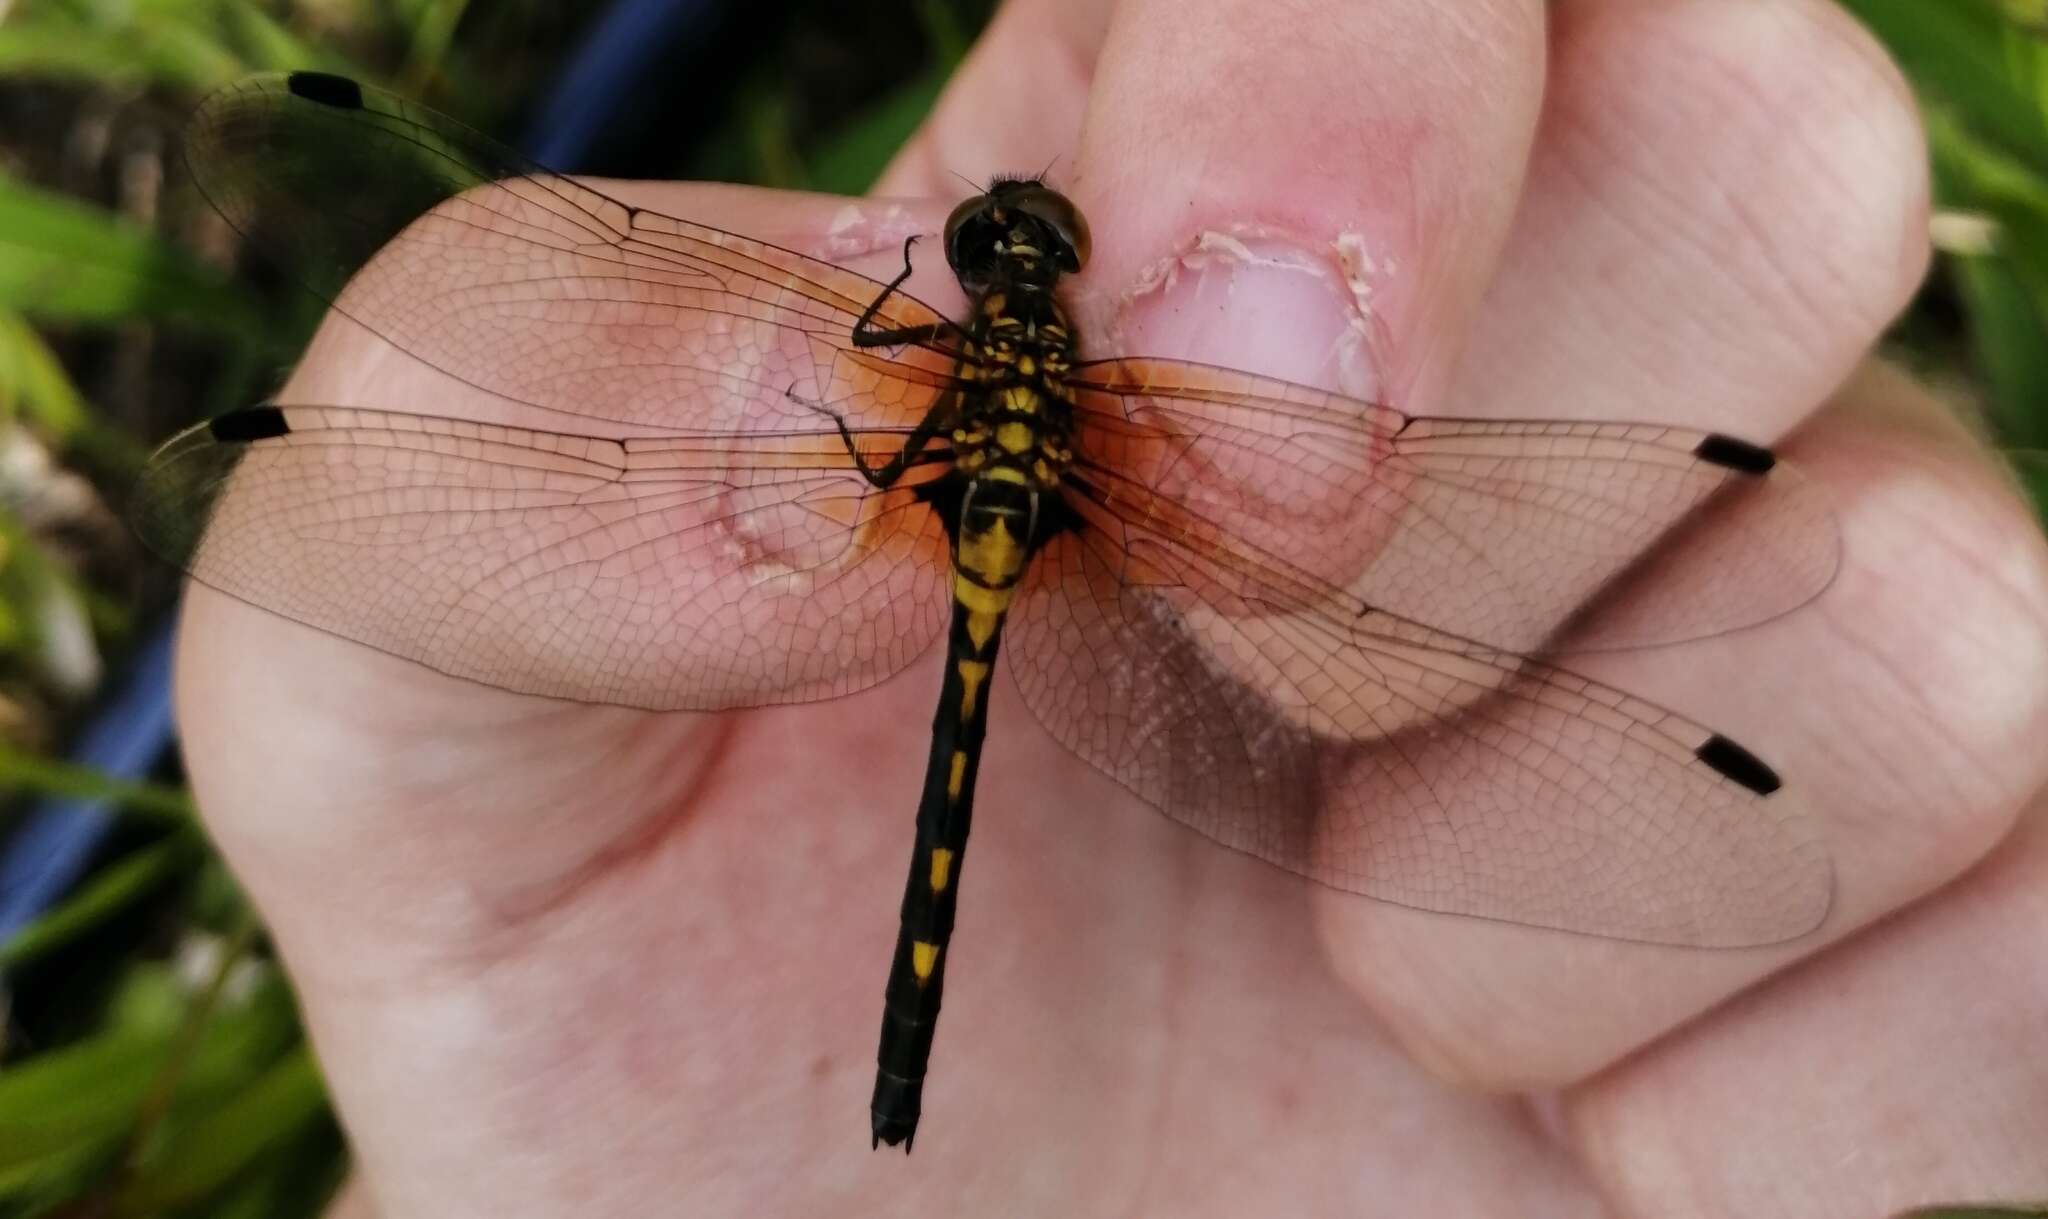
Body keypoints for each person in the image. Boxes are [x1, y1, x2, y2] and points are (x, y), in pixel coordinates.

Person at [175, 0, 2048, 1214]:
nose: (1014, 255)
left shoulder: (954, 376)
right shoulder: (1071, 408)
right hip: (1022, 590)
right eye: (1016, 249)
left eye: (1015, 251)